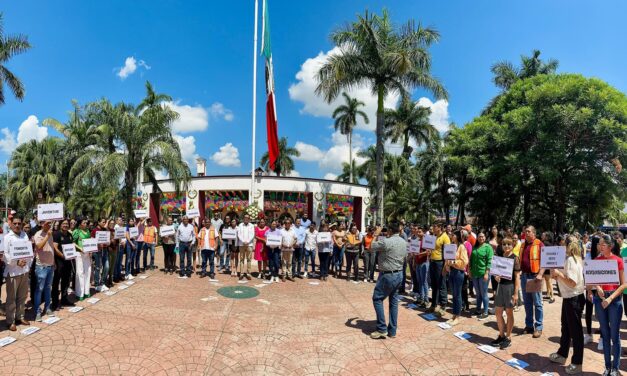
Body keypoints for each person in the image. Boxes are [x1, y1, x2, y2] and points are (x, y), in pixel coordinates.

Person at [588, 234, 625, 376]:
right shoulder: (597, 260)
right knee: (605, 334)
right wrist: (597, 287)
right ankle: (607, 367)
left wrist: (610, 299)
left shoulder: (618, 261)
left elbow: (623, 284)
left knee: (615, 335)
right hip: (600, 299)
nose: (600, 246)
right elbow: (592, 280)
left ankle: (615, 368)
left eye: (603, 244)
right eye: (599, 244)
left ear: (610, 246)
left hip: (614, 300)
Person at [549, 235, 585, 375]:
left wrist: (559, 274)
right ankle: (562, 354)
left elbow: (572, 282)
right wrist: (556, 275)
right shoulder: (570, 259)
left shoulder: (571, 260)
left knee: (575, 332)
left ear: (568, 245)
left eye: (563, 243)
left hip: (573, 298)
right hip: (569, 297)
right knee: (566, 327)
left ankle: (577, 363)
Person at [370, 222, 407, 339]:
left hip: (388, 275)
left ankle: (382, 329)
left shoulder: (386, 241)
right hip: (399, 273)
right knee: (393, 302)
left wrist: (376, 234)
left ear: (390, 230)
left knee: (377, 298)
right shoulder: (403, 242)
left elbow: (371, 246)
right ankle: (392, 330)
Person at [490, 236, 520, 350]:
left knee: (509, 313)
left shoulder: (515, 258)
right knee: (498, 312)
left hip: (510, 287)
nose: (506, 246)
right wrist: (497, 277)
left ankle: (508, 337)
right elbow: (497, 273)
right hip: (500, 287)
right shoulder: (500, 257)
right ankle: (501, 335)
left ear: (512, 246)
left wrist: (516, 293)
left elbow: (517, 277)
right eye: (504, 244)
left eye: (509, 244)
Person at [3, 216, 31, 331]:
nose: (17, 225)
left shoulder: (25, 235)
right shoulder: (7, 237)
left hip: (24, 271)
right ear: (11, 224)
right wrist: (16, 262)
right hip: (13, 271)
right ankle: (10, 321)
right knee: (11, 298)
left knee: (22, 296)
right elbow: (5, 255)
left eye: (19, 223)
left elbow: (29, 251)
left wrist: (26, 262)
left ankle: (20, 316)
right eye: (15, 223)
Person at [520, 225, 545, 338]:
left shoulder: (539, 244)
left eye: (529, 231)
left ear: (534, 233)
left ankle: (538, 327)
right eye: (526, 231)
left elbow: (545, 261)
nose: (526, 233)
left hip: (535, 277)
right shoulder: (523, 244)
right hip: (524, 276)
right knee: (527, 303)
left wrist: (540, 274)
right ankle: (529, 325)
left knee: (537, 303)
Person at [33, 221, 56, 321]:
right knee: (39, 289)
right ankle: (37, 311)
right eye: (46, 223)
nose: (48, 225)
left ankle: (47, 307)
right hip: (41, 266)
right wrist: (47, 236)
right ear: (42, 224)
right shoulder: (38, 234)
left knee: (47, 288)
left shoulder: (50, 234)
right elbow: (39, 246)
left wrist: (53, 262)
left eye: (49, 223)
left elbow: (51, 248)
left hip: (50, 266)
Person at [444, 230, 468, 326]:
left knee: (457, 295)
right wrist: (447, 265)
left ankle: (457, 316)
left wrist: (454, 262)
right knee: (453, 295)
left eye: (453, 235)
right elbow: (447, 257)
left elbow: (465, 261)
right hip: (452, 272)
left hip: (459, 272)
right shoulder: (451, 246)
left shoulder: (462, 247)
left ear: (457, 236)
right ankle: (453, 315)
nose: (452, 236)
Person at [427, 223, 450, 316]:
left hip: (440, 263)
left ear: (440, 228)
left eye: (435, 226)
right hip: (432, 262)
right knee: (434, 285)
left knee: (441, 285)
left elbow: (448, 253)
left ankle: (443, 306)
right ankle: (433, 304)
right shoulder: (434, 237)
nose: (433, 228)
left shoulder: (445, 237)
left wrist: (445, 265)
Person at [470, 232, 493, 320]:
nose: (481, 238)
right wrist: (470, 270)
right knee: (478, 293)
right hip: (475, 273)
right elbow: (471, 259)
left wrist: (487, 273)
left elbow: (489, 261)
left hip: (483, 274)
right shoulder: (475, 247)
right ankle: (478, 309)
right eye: (479, 236)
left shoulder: (488, 247)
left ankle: (486, 311)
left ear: (485, 237)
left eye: (482, 236)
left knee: (484, 293)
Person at [52, 219, 75, 309]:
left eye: (67, 224)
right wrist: (63, 256)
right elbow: (55, 248)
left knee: (66, 281)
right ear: (60, 225)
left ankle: (64, 299)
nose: (65, 225)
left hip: (68, 261)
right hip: (59, 261)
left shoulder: (69, 235)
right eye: (64, 224)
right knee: (56, 281)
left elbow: (72, 246)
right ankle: (55, 302)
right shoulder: (56, 234)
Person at [73, 219, 92, 300]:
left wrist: (91, 249)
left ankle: (86, 291)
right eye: (84, 222)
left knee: (88, 271)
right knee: (80, 272)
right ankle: (79, 293)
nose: (86, 224)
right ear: (80, 224)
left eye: (86, 223)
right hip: (79, 254)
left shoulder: (88, 231)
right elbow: (73, 242)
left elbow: (90, 241)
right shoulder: (76, 231)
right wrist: (80, 248)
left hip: (87, 254)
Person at [91, 218, 109, 293]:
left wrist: (107, 243)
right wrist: (98, 244)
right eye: (103, 222)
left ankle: (102, 282)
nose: (104, 223)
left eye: (105, 222)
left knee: (106, 266)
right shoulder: (94, 230)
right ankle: (97, 284)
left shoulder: (105, 230)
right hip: (97, 251)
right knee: (98, 267)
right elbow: (92, 240)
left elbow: (108, 240)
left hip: (104, 250)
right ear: (98, 222)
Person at [237, 214, 255, 281]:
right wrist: (243, 241)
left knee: (249, 259)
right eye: (245, 218)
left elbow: (252, 234)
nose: (246, 219)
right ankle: (241, 273)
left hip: (249, 244)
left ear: (249, 219)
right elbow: (239, 234)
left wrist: (247, 241)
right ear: (243, 218)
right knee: (241, 259)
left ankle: (248, 273)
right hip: (241, 244)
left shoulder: (251, 226)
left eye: (247, 218)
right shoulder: (240, 225)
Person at [106, 219, 117, 287]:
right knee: (108, 266)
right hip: (109, 250)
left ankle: (110, 280)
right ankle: (105, 281)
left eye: (113, 223)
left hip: (115, 250)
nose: (112, 224)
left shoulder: (115, 231)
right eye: (111, 223)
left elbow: (118, 240)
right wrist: (110, 240)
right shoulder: (107, 231)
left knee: (112, 266)